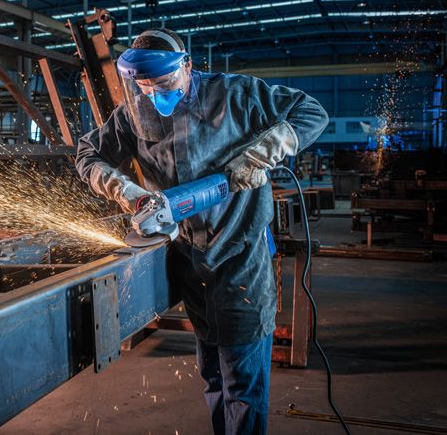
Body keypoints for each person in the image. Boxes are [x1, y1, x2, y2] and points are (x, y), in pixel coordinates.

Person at [75, 28, 328, 435]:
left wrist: (264, 153)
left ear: (188, 67)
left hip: (240, 255)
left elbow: (311, 111)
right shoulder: (134, 112)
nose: (156, 94)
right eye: (145, 86)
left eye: (165, 83)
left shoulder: (236, 96)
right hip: (189, 262)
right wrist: (124, 188)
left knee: (242, 382)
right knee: (212, 372)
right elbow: (88, 153)